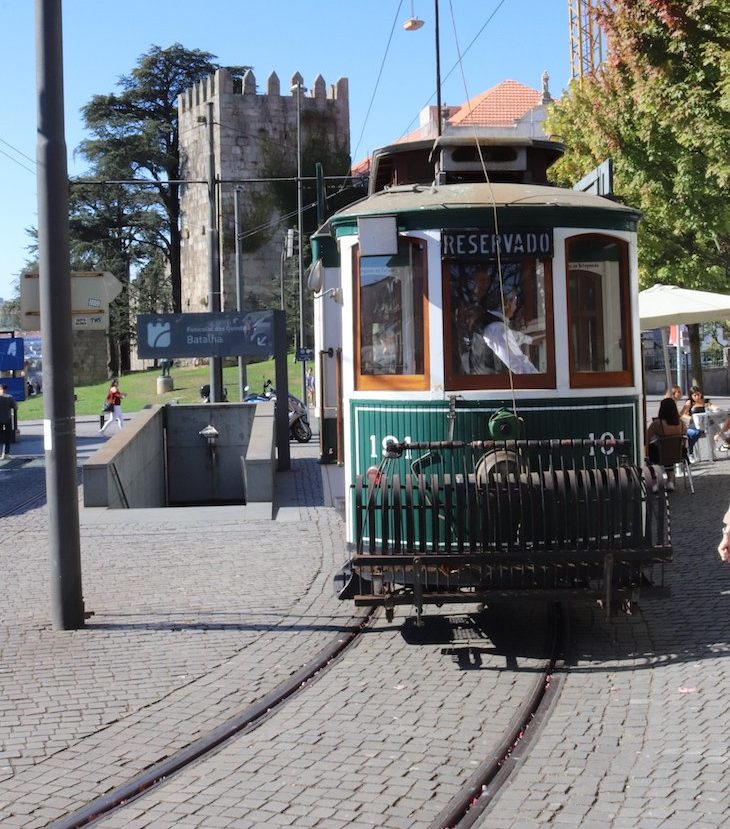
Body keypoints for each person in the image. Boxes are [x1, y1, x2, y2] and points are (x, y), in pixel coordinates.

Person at [480, 289, 543, 374]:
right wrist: (538, 379)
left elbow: (514, 336)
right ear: (507, 303)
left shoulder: (493, 325)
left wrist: (531, 339)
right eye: (515, 301)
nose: (516, 306)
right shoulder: (498, 329)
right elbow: (518, 363)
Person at [646, 397, 687, 491]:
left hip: (660, 455)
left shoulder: (657, 424)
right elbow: (685, 439)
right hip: (678, 455)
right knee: (669, 451)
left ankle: (654, 481)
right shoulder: (682, 424)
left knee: (652, 450)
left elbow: (646, 439)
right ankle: (670, 481)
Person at [679, 386, 706, 458]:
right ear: (691, 396)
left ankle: (714, 452)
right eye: (695, 395)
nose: (697, 397)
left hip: (704, 424)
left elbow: (712, 407)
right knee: (695, 433)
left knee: (714, 428)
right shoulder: (689, 403)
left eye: (698, 394)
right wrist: (692, 418)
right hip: (692, 425)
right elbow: (682, 415)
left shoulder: (704, 401)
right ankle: (690, 452)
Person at [0, 384, 17, 460]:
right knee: (7, 436)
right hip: (7, 419)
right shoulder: (9, 397)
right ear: (6, 389)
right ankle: (6, 453)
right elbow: (15, 407)